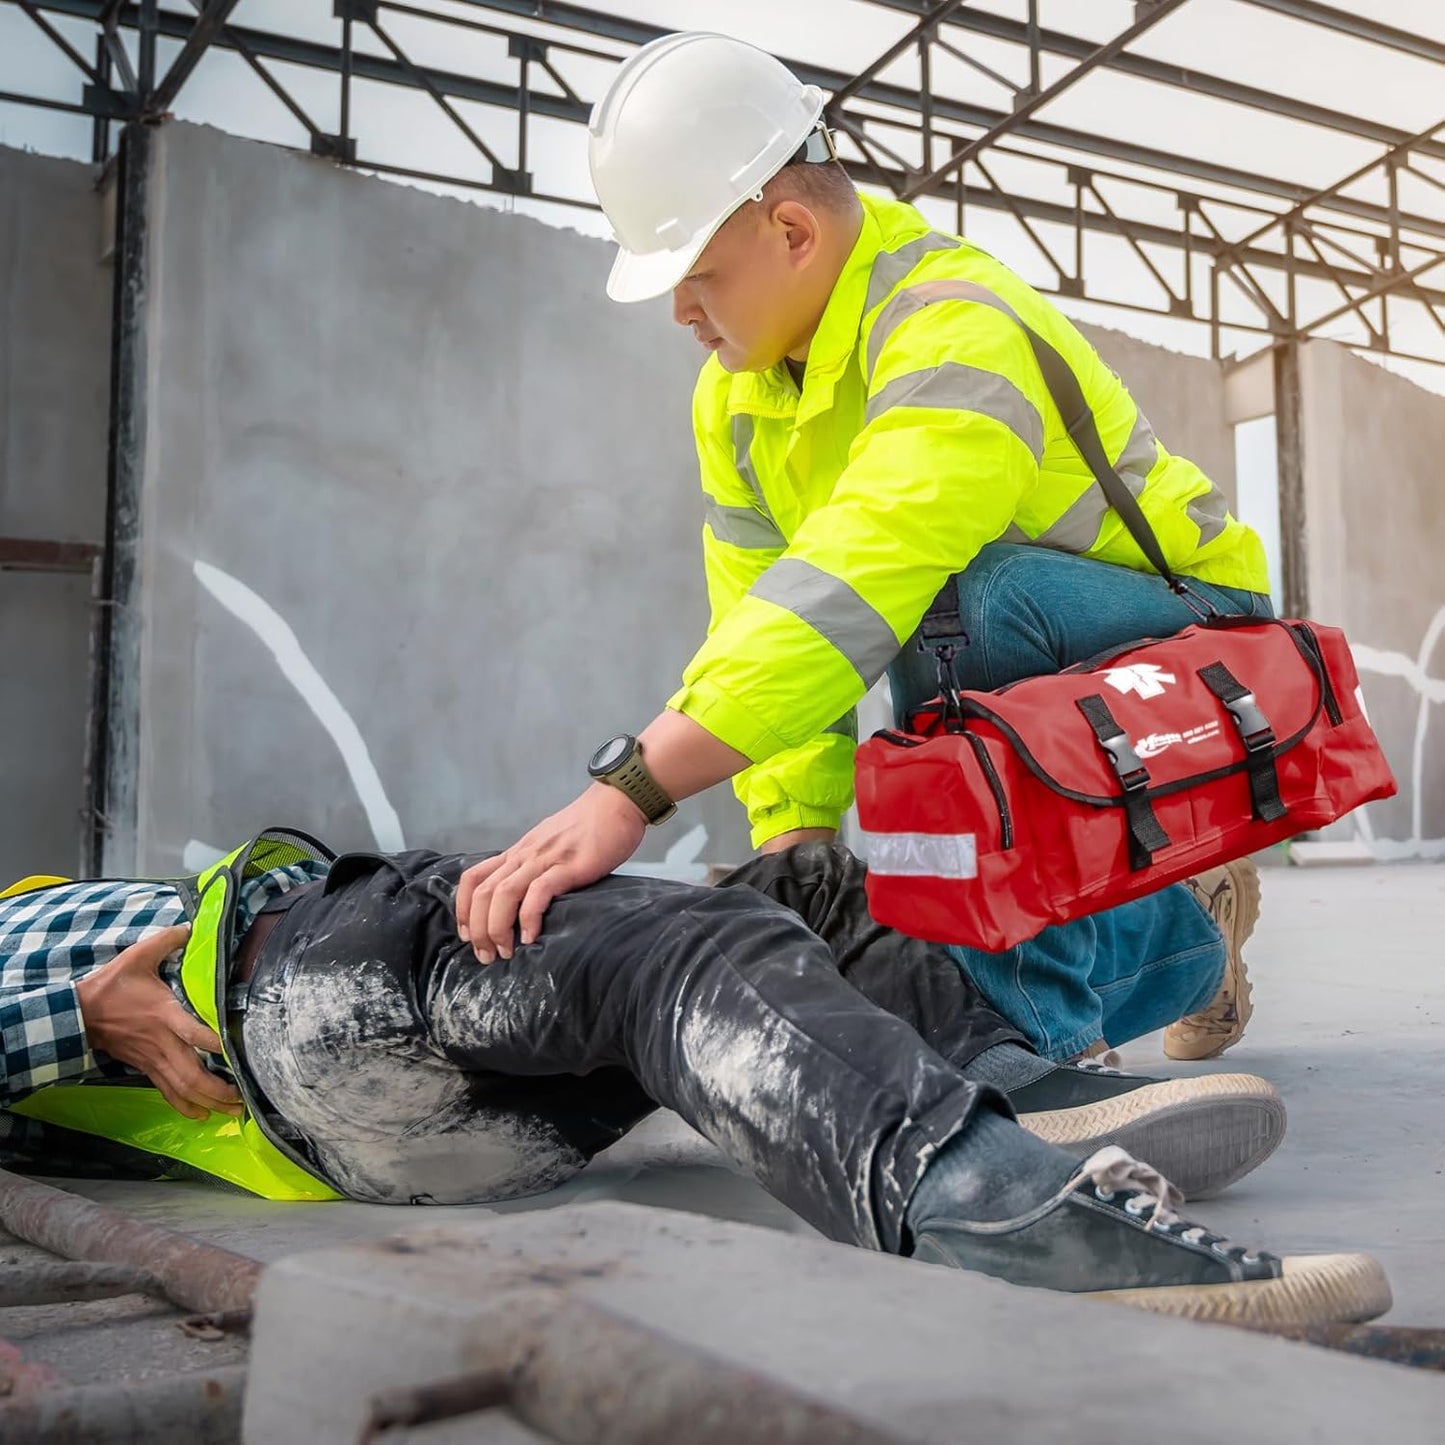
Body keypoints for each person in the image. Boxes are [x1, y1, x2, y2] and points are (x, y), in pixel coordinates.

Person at [455, 33, 1272, 1067]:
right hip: (1012, 637)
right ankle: (1157, 921)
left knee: (954, 604)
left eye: (698, 274)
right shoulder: (740, 400)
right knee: (929, 691)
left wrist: (632, 788)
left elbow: (855, 578)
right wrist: (794, 835)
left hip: (1194, 630)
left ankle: (1055, 1015)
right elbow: (761, 607)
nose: (679, 311)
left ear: (790, 230)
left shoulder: (954, 328)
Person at [0, 831, 1385, 1326]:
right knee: (681, 956)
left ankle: (999, 1079)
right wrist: (79, 1021)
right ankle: (993, 1203)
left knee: (798, 893)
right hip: (295, 995)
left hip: (355, 1082)